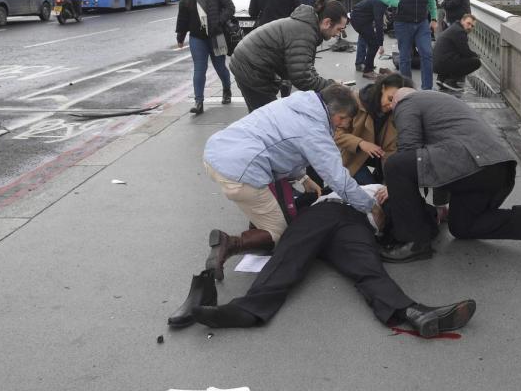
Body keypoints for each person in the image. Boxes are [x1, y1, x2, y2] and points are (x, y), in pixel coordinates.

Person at [190, 185, 476, 338]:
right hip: (327, 211)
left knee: (368, 270)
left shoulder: (395, 214)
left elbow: (422, 221)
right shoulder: (371, 187)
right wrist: (389, 198)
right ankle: (246, 310)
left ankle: (414, 313)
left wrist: (436, 217)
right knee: (288, 258)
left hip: (355, 226)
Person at [200, 84, 380, 281]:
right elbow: (338, 178)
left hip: (216, 153)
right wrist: (370, 206)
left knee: (270, 205)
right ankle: (230, 243)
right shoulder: (315, 130)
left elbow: (285, 147)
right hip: (241, 171)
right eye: (343, 119)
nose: (344, 125)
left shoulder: (299, 103)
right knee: (280, 233)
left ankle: (259, 220)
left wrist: (304, 178)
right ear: (335, 111)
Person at [379, 88, 521, 262]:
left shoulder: (406, 102)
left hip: (473, 164)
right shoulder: (440, 103)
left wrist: (396, 187)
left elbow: (408, 151)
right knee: (462, 227)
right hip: (496, 169)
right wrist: (440, 206)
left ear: (397, 100)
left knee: (396, 165)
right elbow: (435, 163)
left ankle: (414, 242)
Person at [229, 0, 348, 112]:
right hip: (250, 68)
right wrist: (332, 86)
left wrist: (329, 84)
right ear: (327, 22)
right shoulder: (305, 32)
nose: (338, 35)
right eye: (339, 29)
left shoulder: (307, 26)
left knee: (265, 116)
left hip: (251, 64)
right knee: (269, 119)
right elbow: (303, 79)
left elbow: (305, 68)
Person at [175, 0, 234, 115]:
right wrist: (180, 36)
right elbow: (183, 15)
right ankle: (199, 102)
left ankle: (227, 89)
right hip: (197, 37)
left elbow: (230, 8)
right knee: (199, 69)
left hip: (216, 35)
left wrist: (218, 22)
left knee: (220, 67)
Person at [376, 0, 438, 90]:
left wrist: (434, 17)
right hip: (403, 22)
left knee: (427, 55)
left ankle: (427, 90)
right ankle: (407, 90)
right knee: (405, 58)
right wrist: (397, 3)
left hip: (422, 21)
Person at [335, 73, 412, 184]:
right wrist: (361, 143)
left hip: (380, 158)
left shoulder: (397, 113)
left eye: (397, 103)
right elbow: (336, 134)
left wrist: (390, 183)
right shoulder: (355, 101)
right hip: (352, 156)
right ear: (383, 88)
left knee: (383, 192)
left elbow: (392, 150)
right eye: (390, 99)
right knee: (370, 193)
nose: (391, 106)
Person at [433, 13, 481, 92]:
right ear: (462, 21)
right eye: (468, 23)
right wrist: (476, 55)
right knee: (476, 62)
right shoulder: (460, 32)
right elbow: (465, 52)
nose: (470, 27)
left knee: (456, 56)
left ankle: (441, 79)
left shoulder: (454, 27)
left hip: (436, 63)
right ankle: (451, 81)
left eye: (472, 26)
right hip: (442, 63)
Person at [350, 0, 386, 79]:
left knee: (371, 41)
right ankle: (368, 71)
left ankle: (367, 65)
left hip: (362, 18)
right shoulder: (379, 3)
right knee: (374, 44)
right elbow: (378, 24)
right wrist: (381, 44)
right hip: (359, 20)